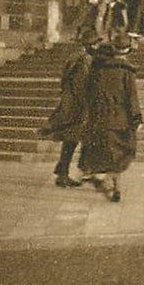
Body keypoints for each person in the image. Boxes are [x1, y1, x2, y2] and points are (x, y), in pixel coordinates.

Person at [78, 32, 142, 203]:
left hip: (100, 116)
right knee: (120, 154)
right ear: (128, 50)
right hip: (120, 119)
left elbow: (90, 93)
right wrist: (137, 118)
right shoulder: (127, 71)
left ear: (113, 48)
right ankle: (115, 187)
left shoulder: (99, 68)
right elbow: (132, 97)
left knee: (106, 151)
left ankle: (105, 182)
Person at [37, 28, 101, 187]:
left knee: (71, 140)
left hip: (71, 103)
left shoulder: (76, 57)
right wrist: (85, 106)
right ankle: (71, 173)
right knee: (74, 139)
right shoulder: (84, 60)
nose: (98, 47)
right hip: (77, 106)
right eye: (96, 44)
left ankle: (66, 172)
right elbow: (81, 86)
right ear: (90, 45)